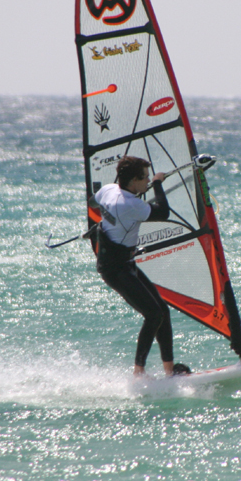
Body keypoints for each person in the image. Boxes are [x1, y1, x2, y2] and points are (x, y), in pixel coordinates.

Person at [91, 156, 190, 377]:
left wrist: (106, 223)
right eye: (145, 178)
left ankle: (169, 370)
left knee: (162, 311)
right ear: (133, 181)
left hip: (123, 262)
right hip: (115, 268)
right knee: (153, 314)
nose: (147, 181)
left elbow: (93, 203)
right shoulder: (130, 204)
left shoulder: (108, 190)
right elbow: (163, 213)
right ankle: (138, 373)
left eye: (149, 178)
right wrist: (158, 183)